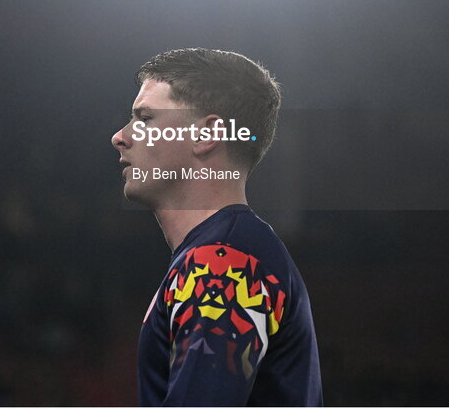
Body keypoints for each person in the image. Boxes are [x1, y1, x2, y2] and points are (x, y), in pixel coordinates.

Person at [111, 48, 323, 406]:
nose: (120, 136)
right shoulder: (232, 250)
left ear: (206, 135)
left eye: (145, 118)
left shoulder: (221, 264)